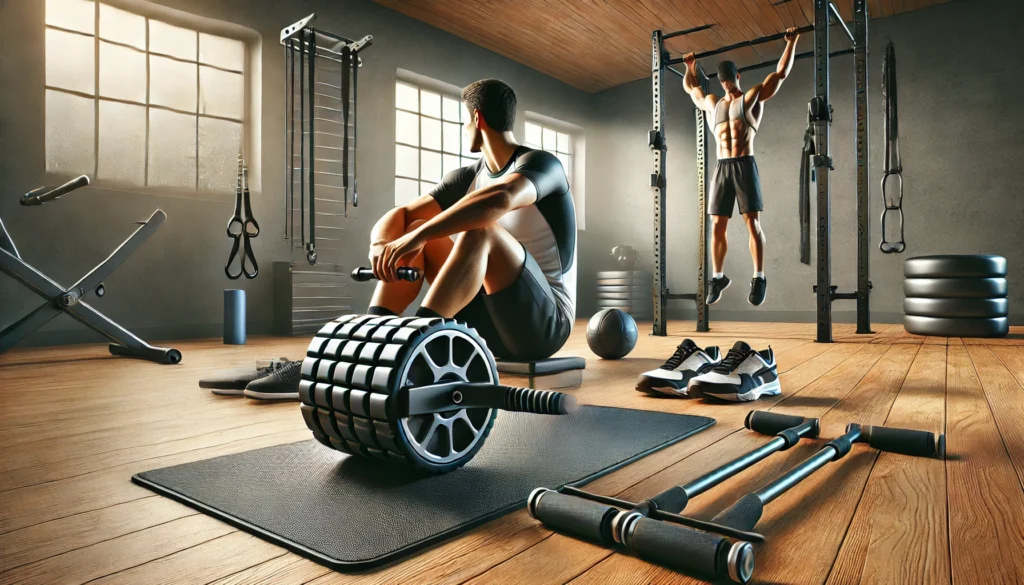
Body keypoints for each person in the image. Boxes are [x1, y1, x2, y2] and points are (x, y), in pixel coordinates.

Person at [368, 79, 577, 361]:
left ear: (476, 118)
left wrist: (417, 238)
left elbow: (501, 199)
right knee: (416, 227)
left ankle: (419, 347)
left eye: (464, 122)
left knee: (480, 231)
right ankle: (371, 337)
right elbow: (403, 215)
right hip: (488, 324)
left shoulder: (542, 165)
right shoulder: (466, 177)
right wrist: (381, 244)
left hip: (545, 324)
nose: (465, 130)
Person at [681, 28, 801, 307]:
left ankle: (759, 277)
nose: (725, 86)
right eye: (722, 82)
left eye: (728, 81)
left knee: (752, 224)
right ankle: (718, 277)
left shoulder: (751, 98)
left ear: (738, 77)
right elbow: (691, 88)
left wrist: (791, 42)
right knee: (716, 225)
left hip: (745, 164)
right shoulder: (713, 103)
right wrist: (691, 67)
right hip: (722, 167)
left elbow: (780, 74)